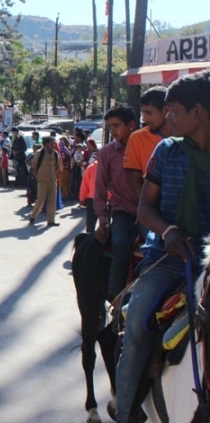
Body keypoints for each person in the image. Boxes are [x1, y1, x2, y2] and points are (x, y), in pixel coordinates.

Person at [115, 71, 210, 423]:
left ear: (198, 112)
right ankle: (124, 414)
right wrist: (168, 231)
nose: (167, 118)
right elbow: (144, 209)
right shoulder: (166, 152)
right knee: (138, 328)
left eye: (173, 110)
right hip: (169, 259)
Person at [93, 105, 138, 299]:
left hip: (149, 211)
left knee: (156, 247)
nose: (113, 131)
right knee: (120, 242)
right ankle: (116, 294)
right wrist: (102, 220)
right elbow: (100, 188)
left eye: (117, 125)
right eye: (110, 126)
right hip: (122, 210)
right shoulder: (107, 153)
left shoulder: (147, 147)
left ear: (131, 125)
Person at [124, 86, 171, 202]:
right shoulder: (137, 138)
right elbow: (135, 181)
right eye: (143, 113)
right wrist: (148, 209)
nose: (144, 119)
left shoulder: (185, 135)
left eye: (149, 113)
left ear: (166, 110)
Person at [28, 137, 61, 227]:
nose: (53, 145)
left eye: (54, 143)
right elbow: (34, 167)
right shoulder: (39, 153)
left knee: (52, 201)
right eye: (51, 143)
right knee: (40, 200)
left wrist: (54, 173)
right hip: (42, 181)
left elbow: (58, 166)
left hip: (52, 181)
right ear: (46, 144)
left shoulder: (55, 153)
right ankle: (33, 217)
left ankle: (51, 221)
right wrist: (38, 178)